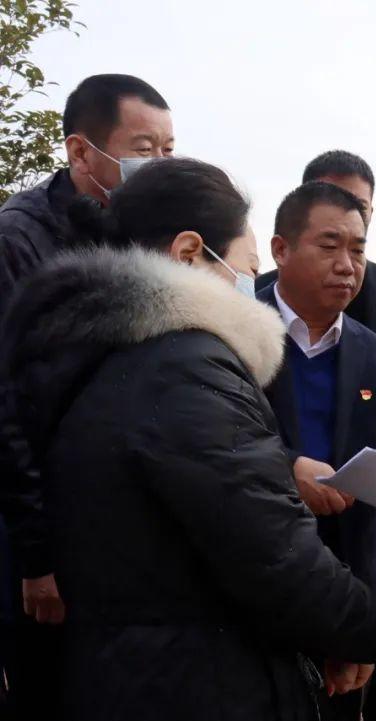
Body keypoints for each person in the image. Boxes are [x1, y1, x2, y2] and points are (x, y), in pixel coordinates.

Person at [0, 158, 376, 721]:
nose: (249, 288)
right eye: (245, 266)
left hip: (125, 668)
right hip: (201, 681)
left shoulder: (89, 350)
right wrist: (365, 628)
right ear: (189, 254)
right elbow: (276, 558)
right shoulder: (186, 369)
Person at [0, 72, 173, 721]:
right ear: (80, 152)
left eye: (169, 148)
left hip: (123, 524)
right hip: (42, 530)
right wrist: (37, 556)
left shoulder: (139, 230)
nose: (161, 165)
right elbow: (8, 405)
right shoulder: (18, 241)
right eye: (144, 148)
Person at [256, 152, 376, 721]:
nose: (347, 265)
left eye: (358, 250)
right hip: (253, 580)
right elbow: (203, 445)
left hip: (347, 575)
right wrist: (286, 468)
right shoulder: (229, 335)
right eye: (329, 245)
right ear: (280, 250)